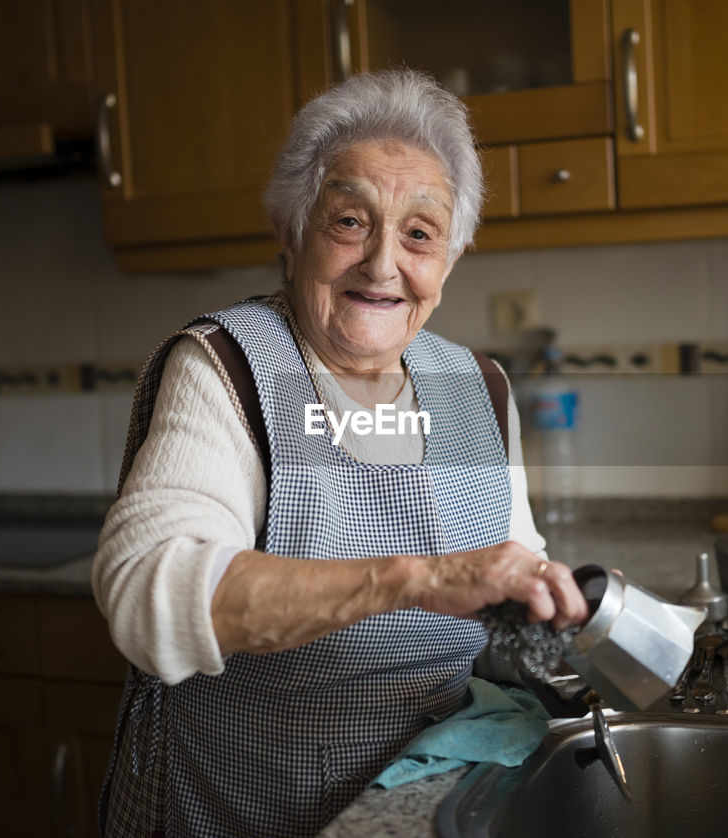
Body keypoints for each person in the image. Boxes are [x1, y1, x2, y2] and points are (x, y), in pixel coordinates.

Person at [92, 68, 588, 837]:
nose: (384, 263)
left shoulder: (476, 384)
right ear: (293, 234)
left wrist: (560, 603)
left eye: (420, 234)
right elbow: (146, 594)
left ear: (449, 262)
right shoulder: (227, 366)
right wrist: (414, 580)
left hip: (427, 799)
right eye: (350, 222)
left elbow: (506, 572)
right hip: (242, 812)